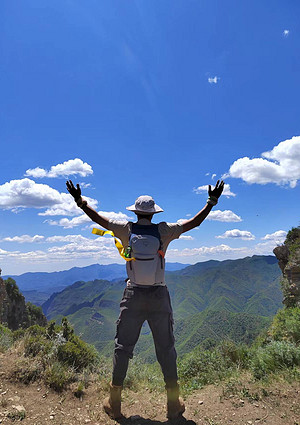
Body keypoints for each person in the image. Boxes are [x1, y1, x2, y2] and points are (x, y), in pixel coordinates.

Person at [66, 179, 224, 420]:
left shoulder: (124, 229)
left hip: (133, 296)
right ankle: (173, 405)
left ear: (136, 212)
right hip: (159, 296)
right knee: (166, 349)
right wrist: (212, 202)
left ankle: (115, 404)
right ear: (153, 213)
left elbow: (97, 219)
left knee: (123, 348)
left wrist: (80, 201)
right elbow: (194, 222)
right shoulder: (164, 231)